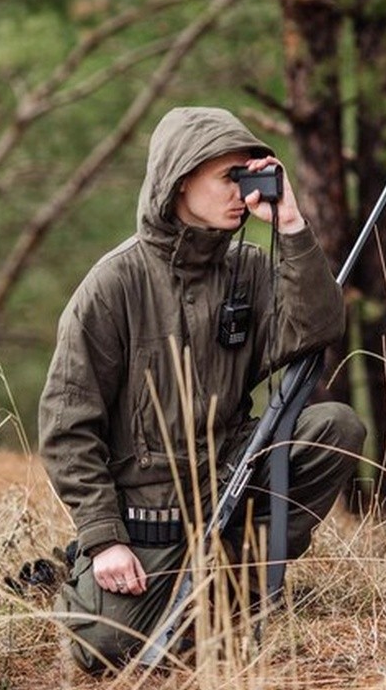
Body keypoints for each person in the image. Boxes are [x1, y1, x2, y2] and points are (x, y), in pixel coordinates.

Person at [38, 106, 364, 673]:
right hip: (147, 517)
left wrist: (290, 224)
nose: (243, 193)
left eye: (250, 176)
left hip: (230, 486)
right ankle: (95, 580)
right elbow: (67, 428)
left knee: (334, 427)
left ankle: (244, 576)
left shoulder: (249, 269)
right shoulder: (114, 285)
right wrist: (104, 539)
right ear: (180, 178)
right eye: (228, 178)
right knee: (103, 647)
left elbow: (315, 328)